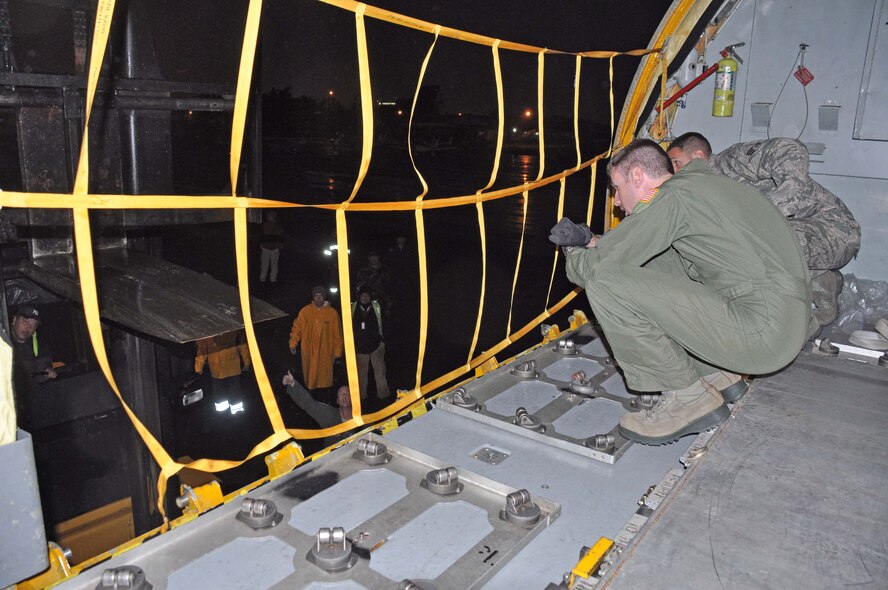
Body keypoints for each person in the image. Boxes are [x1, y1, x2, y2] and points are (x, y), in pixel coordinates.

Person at [552, 139, 809, 445]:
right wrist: (593, 240)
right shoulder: (704, 187)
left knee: (606, 283)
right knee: (660, 259)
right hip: (782, 324)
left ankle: (689, 399)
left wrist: (573, 251)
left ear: (637, 176)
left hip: (763, 334)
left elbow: (597, 270)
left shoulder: (673, 199)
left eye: (617, 188)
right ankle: (717, 374)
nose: (617, 202)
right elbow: (646, 252)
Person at [667, 133, 861, 331]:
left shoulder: (729, 162)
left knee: (757, 242)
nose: (674, 171)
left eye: (677, 162)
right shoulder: (705, 192)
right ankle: (820, 281)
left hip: (835, 229)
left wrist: (771, 212)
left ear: (698, 156)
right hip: (805, 239)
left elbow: (791, 149)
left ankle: (795, 323)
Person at [289, 286, 343, 391]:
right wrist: (293, 343)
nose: (319, 298)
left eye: (321, 296)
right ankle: (311, 396)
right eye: (316, 296)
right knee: (310, 380)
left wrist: (337, 352)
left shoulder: (332, 313)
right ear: (313, 297)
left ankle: (324, 398)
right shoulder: (305, 312)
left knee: (324, 381)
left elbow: (337, 335)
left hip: (325, 354)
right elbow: (297, 328)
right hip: (309, 352)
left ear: (325, 297)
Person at [282, 371, 351, 448]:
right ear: (337, 400)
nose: (344, 395)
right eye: (341, 393)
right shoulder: (330, 415)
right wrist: (293, 384)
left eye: (348, 393)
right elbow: (310, 404)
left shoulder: (363, 418)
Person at [195, 329, 251, 415]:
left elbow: (201, 351)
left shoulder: (207, 331)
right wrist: (246, 362)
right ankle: (231, 416)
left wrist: (198, 368)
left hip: (223, 369)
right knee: (228, 395)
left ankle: (231, 416)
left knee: (225, 395)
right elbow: (242, 344)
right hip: (226, 368)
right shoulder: (231, 327)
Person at [351, 284, 390, 400]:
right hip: (360, 348)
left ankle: (384, 398)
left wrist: (383, 340)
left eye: (367, 295)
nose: (365, 297)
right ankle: (361, 399)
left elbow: (386, 322)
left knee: (380, 374)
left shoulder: (377, 306)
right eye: (363, 295)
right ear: (359, 296)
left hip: (376, 346)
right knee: (361, 376)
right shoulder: (352, 307)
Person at [10, 306, 57, 395]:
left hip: (23, 396)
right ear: (14, 320)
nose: (29, 327)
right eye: (25, 321)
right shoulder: (3, 338)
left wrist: (46, 374)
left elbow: (39, 373)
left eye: (34, 325)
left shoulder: (40, 345)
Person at [259, 211, 284, 284]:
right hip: (269, 247)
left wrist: (279, 246)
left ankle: (267, 279)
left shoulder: (270, 225)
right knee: (269, 265)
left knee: (268, 264)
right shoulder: (273, 225)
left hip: (271, 248)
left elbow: (280, 237)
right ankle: (268, 279)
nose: (268, 217)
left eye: (269, 216)